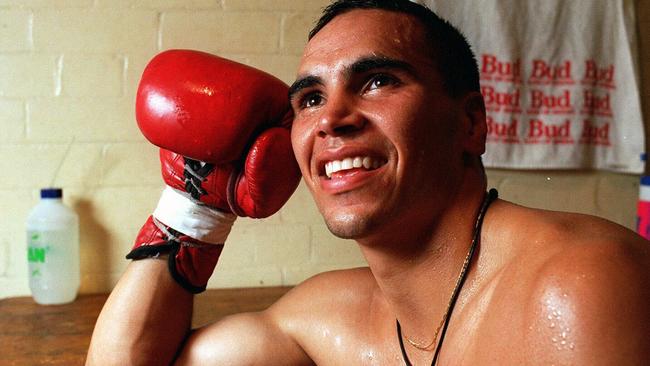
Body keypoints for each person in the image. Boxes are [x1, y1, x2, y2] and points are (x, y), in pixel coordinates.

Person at [86, 0, 650, 365]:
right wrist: (195, 208)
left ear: (470, 122)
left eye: (378, 80)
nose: (331, 118)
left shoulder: (578, 282)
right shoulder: (326, 318)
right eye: (309, 98)